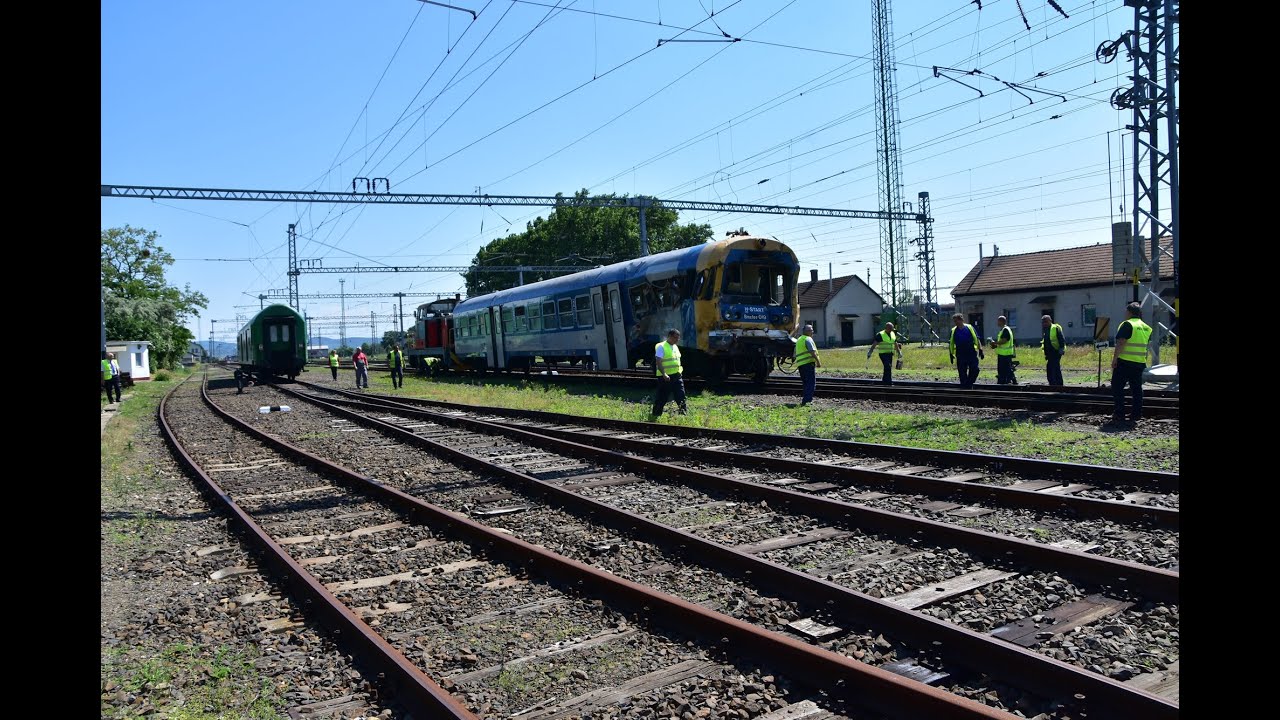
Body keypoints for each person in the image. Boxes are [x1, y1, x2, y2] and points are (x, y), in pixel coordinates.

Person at [1110, 301, 1151, 423]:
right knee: (1137, 389)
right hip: (1139, 363)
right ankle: (1136, 414)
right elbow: (1146, 346)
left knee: (1117, 386)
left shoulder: (1127, 324)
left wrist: (1114, 359)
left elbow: (1121, 342)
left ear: (1129, 312)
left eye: (1126, 311)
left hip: (1125, 361)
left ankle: (1119, 413)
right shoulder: (1146, 327)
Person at [650, 328, 688, 419]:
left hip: (677, 375)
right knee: (662, 397)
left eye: (678, 338)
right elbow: (658, 362)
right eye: (675, 338)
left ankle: (683, 413)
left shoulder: (675, 346)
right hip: (665, 377)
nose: (677, 340)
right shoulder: (661, 346)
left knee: (681, 395)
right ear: (670, 337)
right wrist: (664, 374)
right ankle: (656, 414)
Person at [949, 313, 983, 386]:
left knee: (975, 369)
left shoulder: (970, 327)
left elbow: (977, 339)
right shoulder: (953, 330)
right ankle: (964, 388)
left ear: (961, 320)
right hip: (960, 353)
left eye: (956, 321)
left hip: (971, 351)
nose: (955, 323)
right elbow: (951, 343)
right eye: (954, 321)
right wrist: (951, 354)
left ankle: (969, 383)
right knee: (962, 371)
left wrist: (981, 349)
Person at [792, 323, 822, 403]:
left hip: (801, 365)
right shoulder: (808, 339)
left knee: (805, 383)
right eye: (811, 330)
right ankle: (807, 401)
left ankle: (805, 400)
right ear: (808, 331)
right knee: (810, 383)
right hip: (808, 364)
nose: (813, 332)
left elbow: (794, 354)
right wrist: (818, 362)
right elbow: (812, 351)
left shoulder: (799, 340)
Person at [990, 316, 1017, 385]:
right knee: (1007, 369)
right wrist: (995, 345)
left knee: (1004, 369)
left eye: (998, 321)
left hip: (1005, 354)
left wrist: (995, 343)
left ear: (1001, 321)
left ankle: (1005, 381)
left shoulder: (1005, 330)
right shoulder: (1004, 329)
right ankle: (1007, 380)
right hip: (1004, 353)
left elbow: (1004, 340)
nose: (997, 322)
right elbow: (1003, 342)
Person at [1040, 314, 1066, 386]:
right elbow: (1046, 342)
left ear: (1050, 321)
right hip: (1050, 353)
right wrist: (1046, 354)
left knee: (1053, 368)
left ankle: (1057, 384)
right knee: (1052, 368)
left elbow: (1061, 339)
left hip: (1056, 352)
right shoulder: (1046, 330)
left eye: (1046, 322)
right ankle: (1053, 384)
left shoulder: (1055, 328)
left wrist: (1061, 349)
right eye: (1043, 322)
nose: (1044, 323)